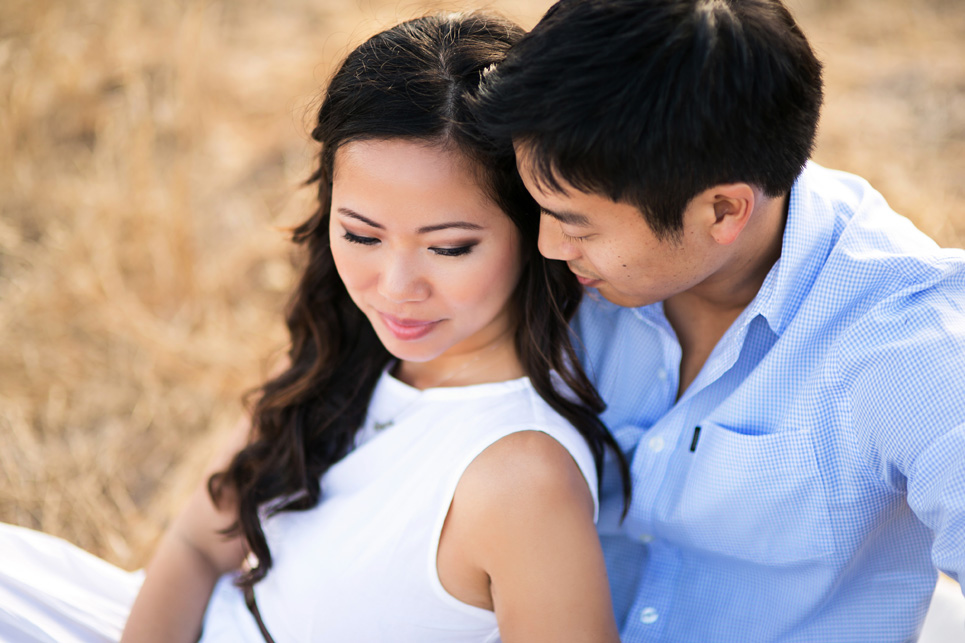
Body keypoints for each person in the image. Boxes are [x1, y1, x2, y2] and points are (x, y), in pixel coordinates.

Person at [0, 13, 627, 643]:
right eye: (360, 234)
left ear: (534, 231)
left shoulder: (523, 480)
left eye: (449, 248)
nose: (393, 287)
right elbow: (197, 545)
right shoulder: (342, 352)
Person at [473, 0, 965, 641]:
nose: (546, 247)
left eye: (575, 222)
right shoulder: (585, 260)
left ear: (723, 212)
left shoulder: (910, 342)